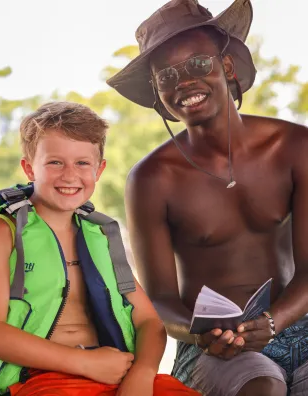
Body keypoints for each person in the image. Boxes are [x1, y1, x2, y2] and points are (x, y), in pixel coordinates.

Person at [107, 0, 308, 395]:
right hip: (213, 348)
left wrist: (271, 323)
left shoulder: (294, 146)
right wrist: (201, 334)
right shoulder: (151, 179)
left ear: (226, 67)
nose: (182, 83)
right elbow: (161, 301)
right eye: (166, 75)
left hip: (297, 322)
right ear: (155, 91)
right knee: (262, 386)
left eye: (197, 64)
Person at [0, 102, 200, 396]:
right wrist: (85, 363)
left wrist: (142, 375)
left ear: (99, 169)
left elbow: (148, 321)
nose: (70, 175)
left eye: (82, 163)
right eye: (55, 162)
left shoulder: (101, 236)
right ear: (29, 168)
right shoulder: (1, 230)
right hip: (36, 380)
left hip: (114, 373)